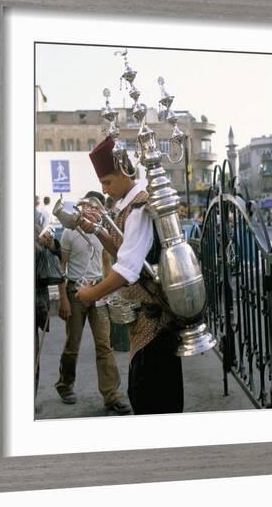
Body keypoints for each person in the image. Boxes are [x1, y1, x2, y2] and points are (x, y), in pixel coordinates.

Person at [76, 136, 184, 415]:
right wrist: (98, 230)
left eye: (108, 182)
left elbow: (126, 269)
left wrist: (91, 295)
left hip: (156, 323)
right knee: (146, 394)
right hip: (145, 324)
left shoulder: (139, 206)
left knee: (152, 399)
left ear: (125, 171)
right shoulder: (128, 203)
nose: (104, 190)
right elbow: (124, 250)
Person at [54, 190, 131, 415]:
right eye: (89, 206)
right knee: (73, 344)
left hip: (98, 292)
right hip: (76, 293)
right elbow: (62, 268)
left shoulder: (102, 231)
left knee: (104, 344)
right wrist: (64, 299)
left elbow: (107, 261)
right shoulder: (69, 233)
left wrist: (108, 290)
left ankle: (112, 395)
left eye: (97, 207)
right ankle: (65, 384)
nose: (93, 211)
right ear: (82, 207)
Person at [34, 222, 64, 396]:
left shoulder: (35, 225)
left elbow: (56, 254)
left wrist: (50, 243)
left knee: (31, 356)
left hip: (34, 301)